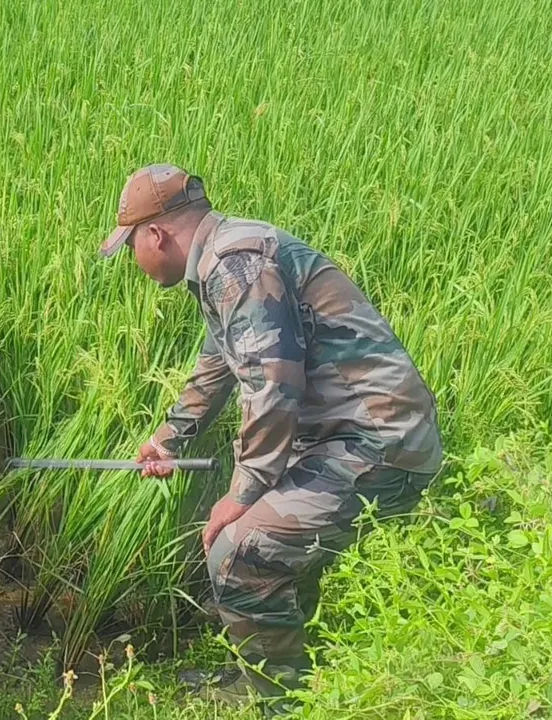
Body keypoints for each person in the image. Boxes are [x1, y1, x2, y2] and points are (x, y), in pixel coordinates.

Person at [100, 164, 443, 713]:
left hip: (379, 443)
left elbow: (271, 385)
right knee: (265, 544)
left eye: (130, 245)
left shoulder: (235, 264)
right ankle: (289, 677)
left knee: (238, 552)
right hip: (339, 438)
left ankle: (284, 700)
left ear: (155, 235)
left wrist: (244, 493)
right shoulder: (222, 258)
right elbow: (219, 361)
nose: (133, 261)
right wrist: (170, 436)